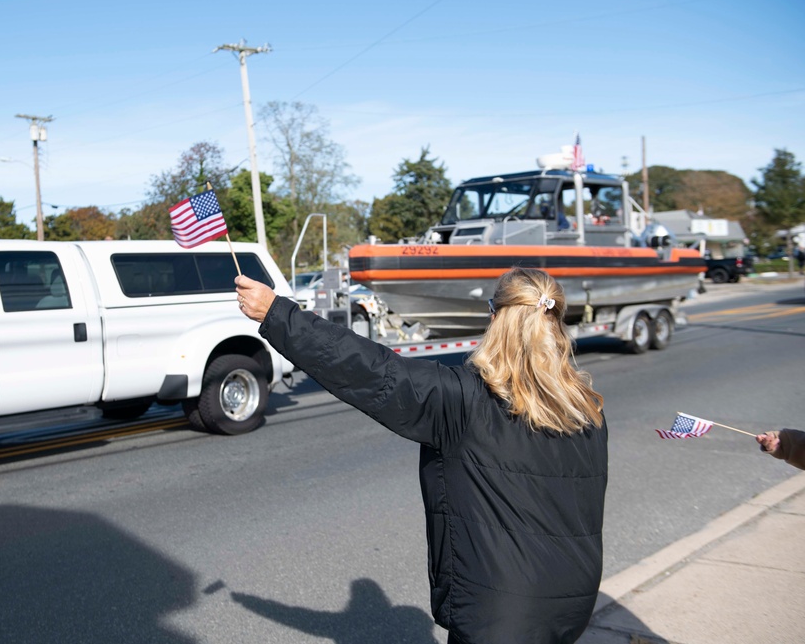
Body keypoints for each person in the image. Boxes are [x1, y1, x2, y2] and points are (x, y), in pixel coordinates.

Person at [235, 267, 607, 644]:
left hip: (501, 616)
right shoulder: (587, 411)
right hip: (572, 603)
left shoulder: (463, 400)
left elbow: (372, 369)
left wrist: (276, 313)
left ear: (497, 318)